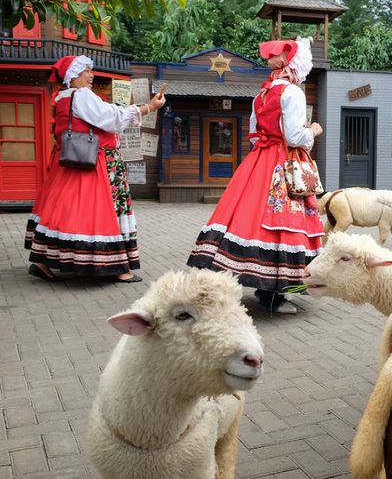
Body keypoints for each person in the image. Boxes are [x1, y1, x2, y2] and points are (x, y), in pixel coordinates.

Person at [187, 38, 323, 314]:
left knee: (249, 219)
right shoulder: (293, 93)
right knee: (286, 224)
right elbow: (295, 135)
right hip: (285, 163)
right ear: (296, 66)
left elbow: (253, 134)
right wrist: (315, 132)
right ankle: (276, 295)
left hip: (259, 162)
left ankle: (259, 287)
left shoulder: (262, 94)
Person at [25, 55, 165, 283]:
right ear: (73, 75)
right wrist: (149, 107)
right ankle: (115, 267)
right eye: (86, 71)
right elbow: (112, 119)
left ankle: (42, 260)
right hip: (96, 163)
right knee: (105, 212)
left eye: (91, 71)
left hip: (69, 162)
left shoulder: (63, 97)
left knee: (65, 210)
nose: (91, 75)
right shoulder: (82, 96)